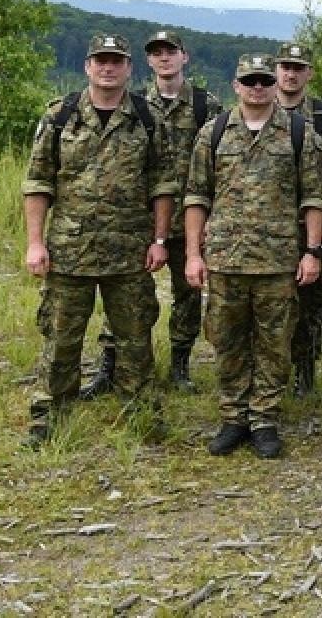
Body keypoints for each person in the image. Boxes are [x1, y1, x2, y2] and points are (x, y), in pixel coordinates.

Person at [22, 35, 176, 446]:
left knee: (135, 339)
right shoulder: (60, 116)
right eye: (100, 61)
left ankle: (141, 413)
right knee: (60, 338)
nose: (108, 68)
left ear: (128, 69)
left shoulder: (146, 118)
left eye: (116, 61)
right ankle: (48, 416)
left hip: (129, 254)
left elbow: (162, 184)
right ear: (87, 66)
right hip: (69, 250)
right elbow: (38, 183)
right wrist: (35, 243)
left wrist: (160, 239)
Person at [183, 54, 322, 458]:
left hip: (278, 259)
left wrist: (312, 251)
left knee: (274, 342)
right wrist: (193, 254)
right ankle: (233, 417)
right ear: (237, 85)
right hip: (225, 259)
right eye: (251, 81)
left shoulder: (299, 133)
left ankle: (264, 418)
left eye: (264, 81)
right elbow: (196, 197)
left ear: (273, 85)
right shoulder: (213, 134)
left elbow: (313, 197)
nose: (258, 88)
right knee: (226, 339)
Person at [84, 29, 221, 398]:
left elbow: (219, 167)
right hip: (137, 221)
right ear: (146, 61)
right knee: (125, 296)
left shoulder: (207, 107)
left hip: (191, 220)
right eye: (157, 53)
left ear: (184, 57)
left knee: (188, 296)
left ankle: (180, 363)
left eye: (171, 51)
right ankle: (110, 366)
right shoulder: (135, 104)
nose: (164, 58)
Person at [273, 41, 322, 400]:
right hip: (264, 230)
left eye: (298, 67)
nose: (291, 73)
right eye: (285, 66)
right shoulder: (254, 110)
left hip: (309, 230)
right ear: (276, 69)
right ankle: (268, 376)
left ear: (309, 74)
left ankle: (305, 374)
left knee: (309, 305)